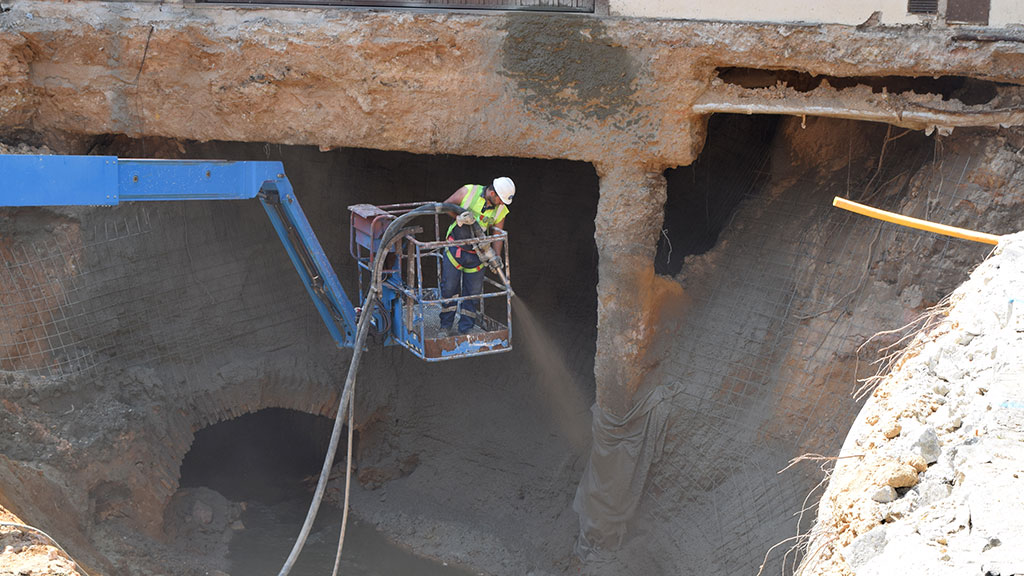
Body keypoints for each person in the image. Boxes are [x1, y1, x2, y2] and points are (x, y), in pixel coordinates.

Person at [439, 177, 515, 335]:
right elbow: (444, 206)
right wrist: (458, 216)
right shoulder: (468, 192)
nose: (501, 204)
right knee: (449, 289)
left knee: (473, 294)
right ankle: (445, 326)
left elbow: (497, 234)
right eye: (500, 200)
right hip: (456, 249)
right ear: (492, 193)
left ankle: (465, 329)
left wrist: (496, 256)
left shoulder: (501, 209)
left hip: (477, 255)